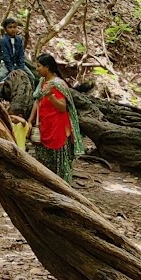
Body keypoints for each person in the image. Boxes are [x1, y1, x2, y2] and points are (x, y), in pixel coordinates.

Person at [28, 52, 84, 183]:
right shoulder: (42, 81)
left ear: (47, 67)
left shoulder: (58, 84)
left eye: (39, 66)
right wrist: (30, 121)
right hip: (44, 125)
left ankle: (61, 185)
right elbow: (37, 101)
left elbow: (62, 108)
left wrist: (51, 96)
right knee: (43, 157)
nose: (36, 69)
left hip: (57, 127)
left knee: (58, 160)